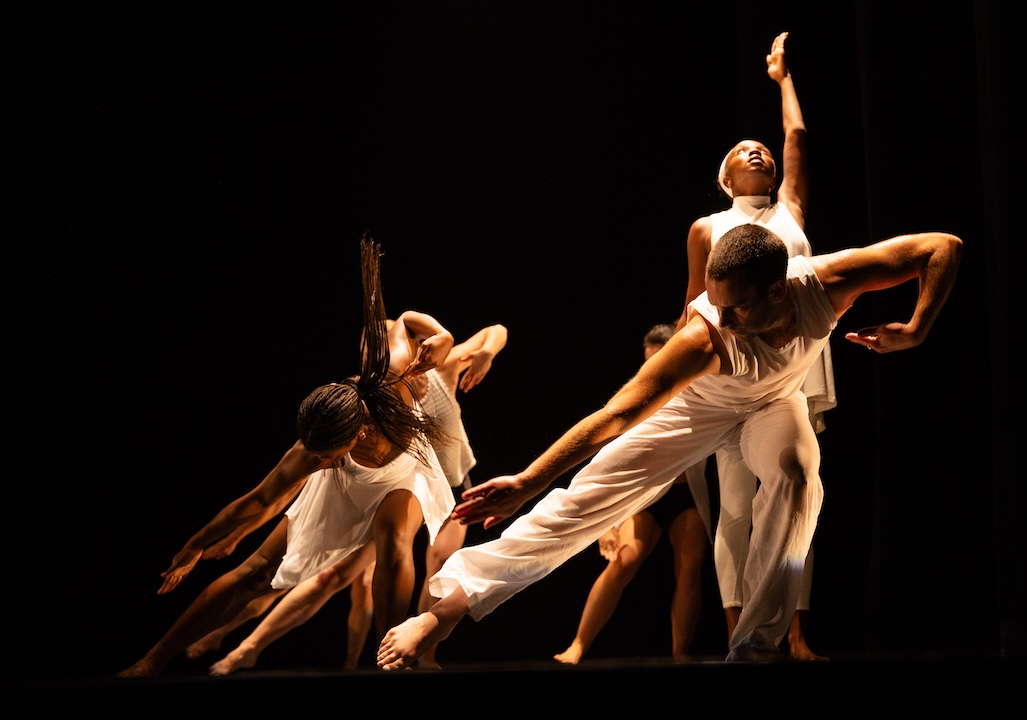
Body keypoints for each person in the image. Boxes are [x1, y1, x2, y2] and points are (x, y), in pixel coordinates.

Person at [377, 224, 962, 668]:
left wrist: (917, 329)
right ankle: (444, 612)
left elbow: (941, 247)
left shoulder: (829, 284)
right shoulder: (703, 340)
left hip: (774, 402)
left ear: (779, 289)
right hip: (698, 408)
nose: (723, 317)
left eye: (737, 306)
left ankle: (755, 647)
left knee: (798, 474)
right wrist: (529, 481)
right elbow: (615, 415)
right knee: (585, 502)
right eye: (716, 303)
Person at [117, 237, 456, 678]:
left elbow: (407, 318)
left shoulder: (391, 373)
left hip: (403, 471)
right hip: (348, 483)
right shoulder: (314, 456)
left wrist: (443, 335)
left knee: (393, 542)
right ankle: (153, 659)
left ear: (358, 433)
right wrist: (194, 545)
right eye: (316, 456)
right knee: (256, 572)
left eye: (325, 456)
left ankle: (390, 665)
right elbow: (258, 500)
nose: (318, 462)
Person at [203, 321, 508, 675]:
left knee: (440, 565)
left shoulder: (439, 369)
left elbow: (497, 330)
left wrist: (486, 354)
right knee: (331, 575)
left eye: (380, 350)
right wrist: (238, 533)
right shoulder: (366, 405)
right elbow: (284, 489)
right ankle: (247, 648)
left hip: (450, 486)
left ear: (408, 350)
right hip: (400, 489)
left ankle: (423, 654)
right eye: (366, 352)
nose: (372, 360)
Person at [677, 31, 833, 659]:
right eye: (744, 150)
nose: (758, 150)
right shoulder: (708, 227)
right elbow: (692, 308)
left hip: (792, 370)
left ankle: (793, 631)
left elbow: (796, 137)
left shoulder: (789, 211)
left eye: (761, 149)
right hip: (733, 374)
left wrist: (782, 79)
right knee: (737, 508)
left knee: (797, 498)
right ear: (725, 178)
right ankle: (736, 634)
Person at [553, 323, 710, 664]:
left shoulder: (700, 391)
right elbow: (610, 455)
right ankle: (578, 645)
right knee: (623, 560)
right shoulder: (644, 395)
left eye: (658, 360)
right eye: (647, 362)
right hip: (644, 496)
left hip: (688, 494)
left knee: (689, 566)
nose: (652, 368)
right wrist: (607, 525)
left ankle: (681, 654)